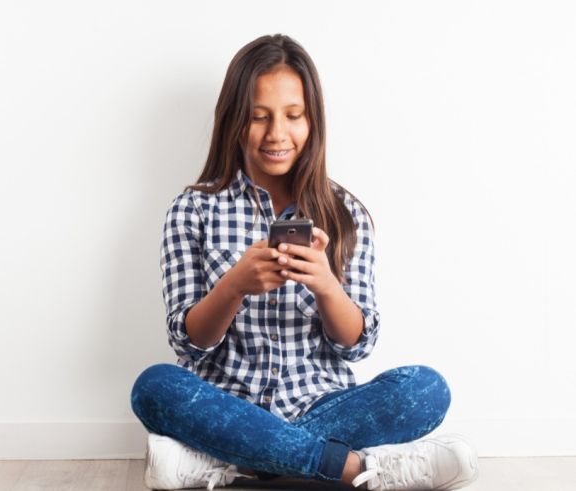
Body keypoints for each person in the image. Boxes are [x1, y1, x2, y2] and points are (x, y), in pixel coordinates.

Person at [130, 34, 479, 491]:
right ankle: (354, 468)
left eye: (293, 116)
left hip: (324, 405)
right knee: (155, 386)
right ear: (234, 121)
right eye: (259, 117)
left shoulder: (346, 213)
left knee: (426, 389)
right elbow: (189, 342)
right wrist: (233, 287)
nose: (277, 133)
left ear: (313, 121)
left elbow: (356, 345)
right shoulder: (193, 209)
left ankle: (232, 465)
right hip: (227, 407)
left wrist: (328, 287)